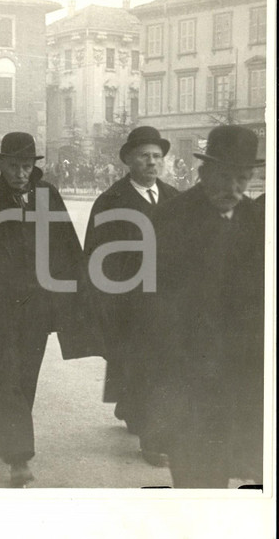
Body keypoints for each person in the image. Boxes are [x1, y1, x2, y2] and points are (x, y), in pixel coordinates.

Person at [0, 132, 84, 486]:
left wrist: (72, 293)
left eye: (27, 166)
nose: (21, 173)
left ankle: (1, 438)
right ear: (0, 164)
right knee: (7, 374)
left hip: (37, 306)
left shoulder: (48, 197)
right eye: (13, 166)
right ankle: (19, 455)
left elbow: (68, 247)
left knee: (25, 376)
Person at [137, 125, 265, 488]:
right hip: (188, 372)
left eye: (242, 179)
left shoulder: (256, 220)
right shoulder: (170, 220)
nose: (234, 189)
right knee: (196, 475)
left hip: (241, 374)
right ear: (204, 172)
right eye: (225, 177)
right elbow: (151, 304)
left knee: (237, 469)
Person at [83, 126, 179, 467]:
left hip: (166, 301)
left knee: (158, 368)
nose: (152, 162)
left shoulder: (173, 197)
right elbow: (96, 257)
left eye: (157, 156)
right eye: (144, 156)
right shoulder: (111, 202)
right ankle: (152, 439)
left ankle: (131, 409)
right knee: (144, 366)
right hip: (128, 301)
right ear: (128, 161)